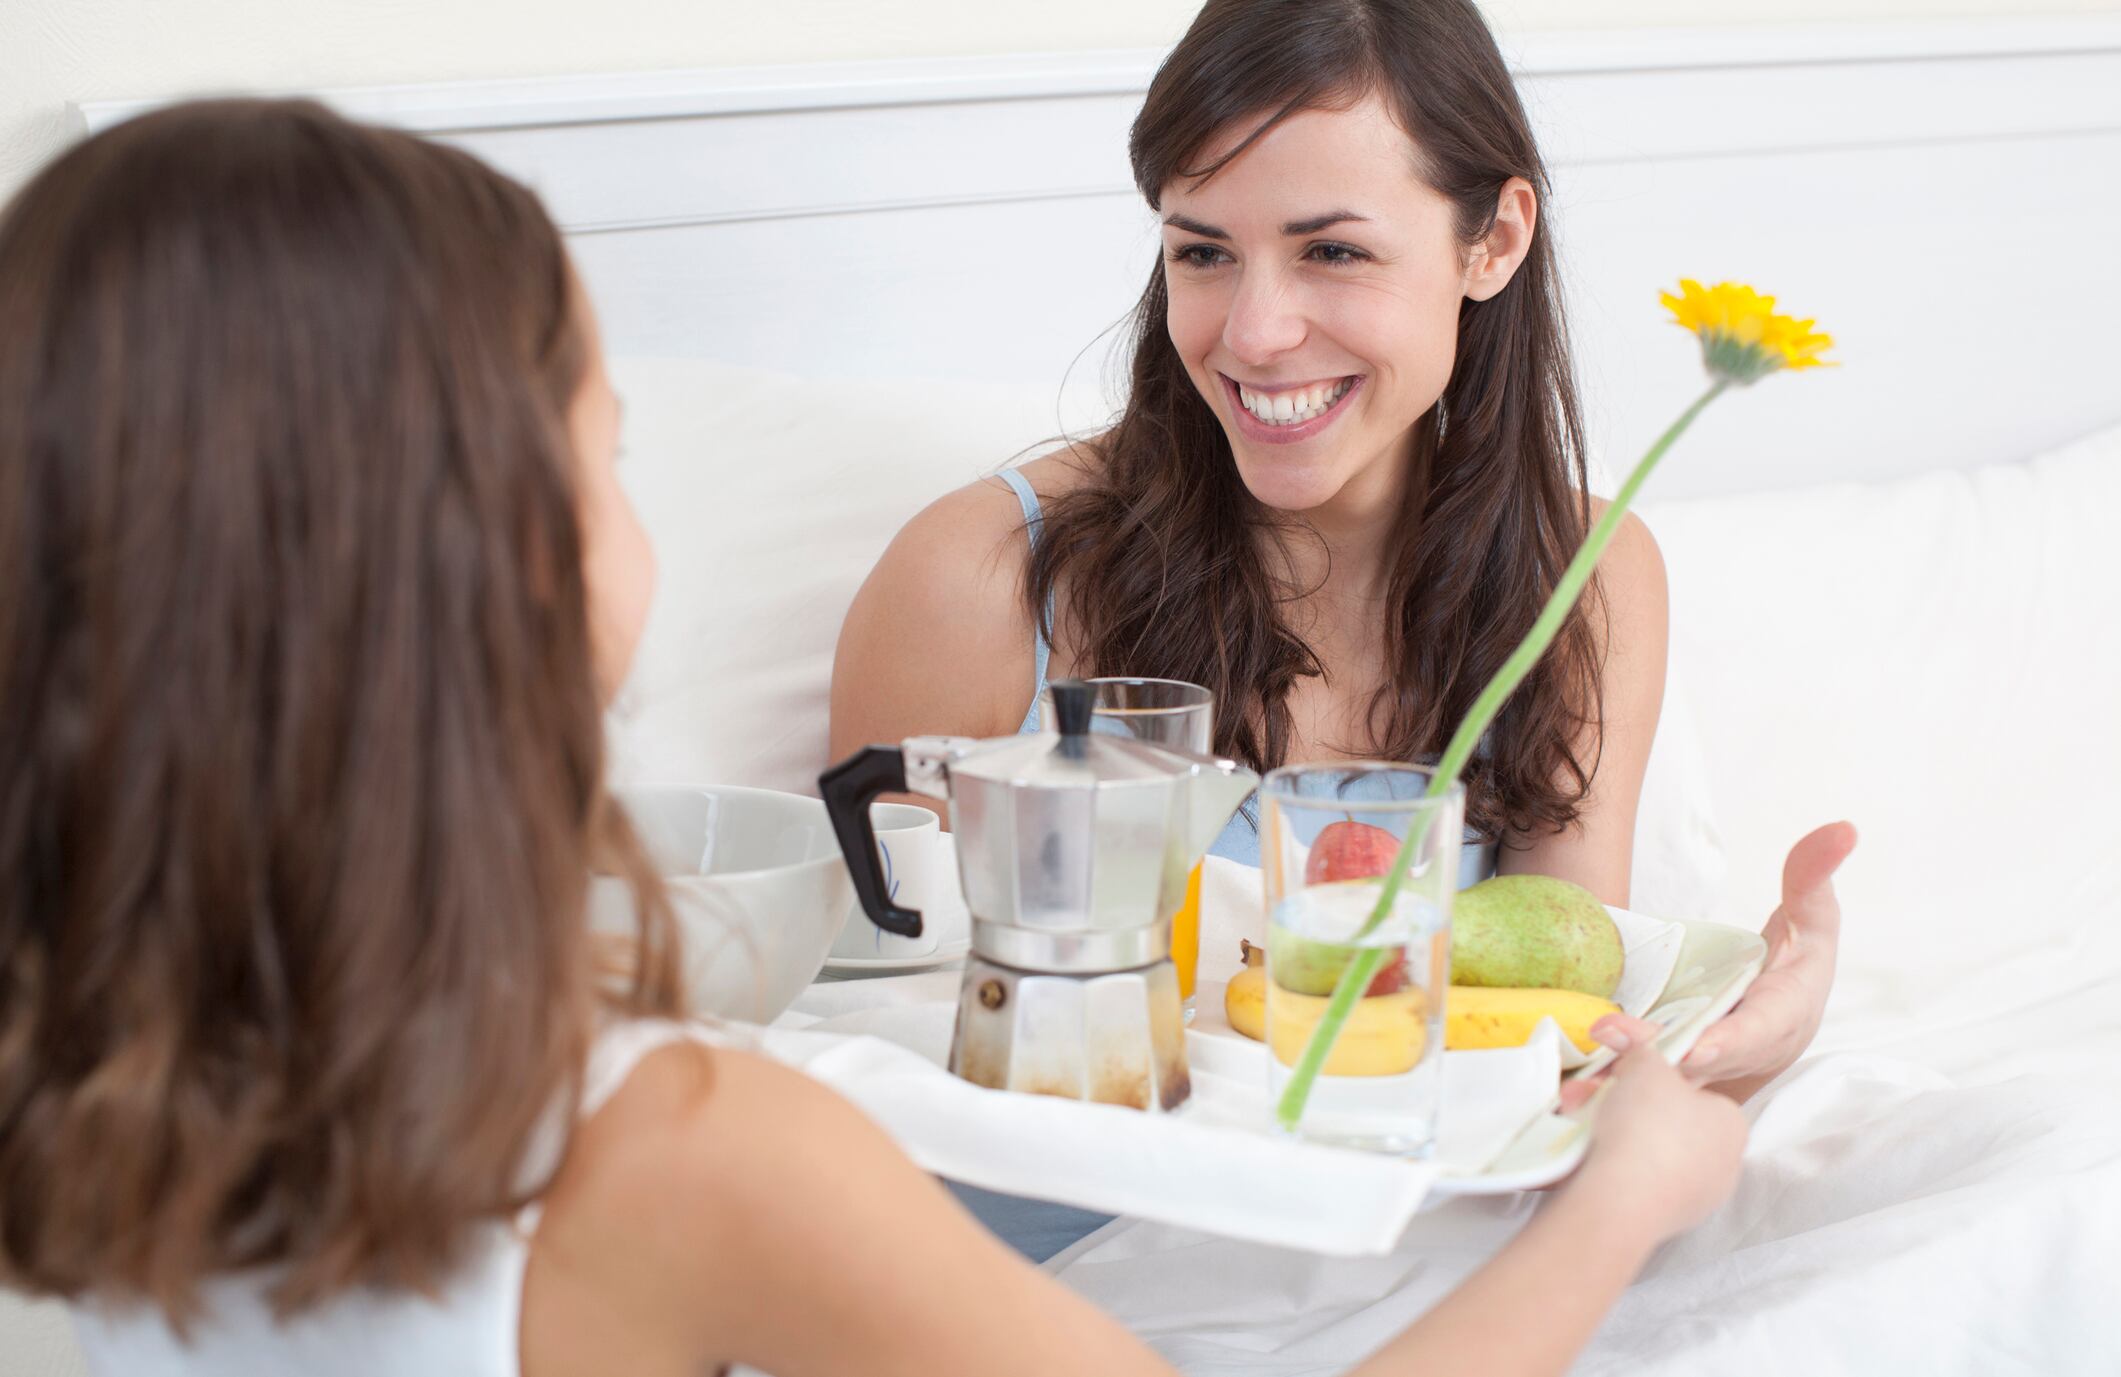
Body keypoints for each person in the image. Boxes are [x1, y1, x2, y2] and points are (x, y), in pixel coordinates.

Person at [0, 98, 1747, 1377]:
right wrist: (1627, 1204)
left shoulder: (118, 1080)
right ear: (496, 552)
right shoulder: (680, 1150)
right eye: (606, 453)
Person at [832, 0, 1854, 1110]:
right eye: (1204, 251)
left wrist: (1732, 1052)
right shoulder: (977, 578)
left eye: (1333, 250)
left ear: (1495, 241)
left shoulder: (1587, 577)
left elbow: (1550, 1049)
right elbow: (868, 1053)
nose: (1256, 332)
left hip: (1411, 1222)